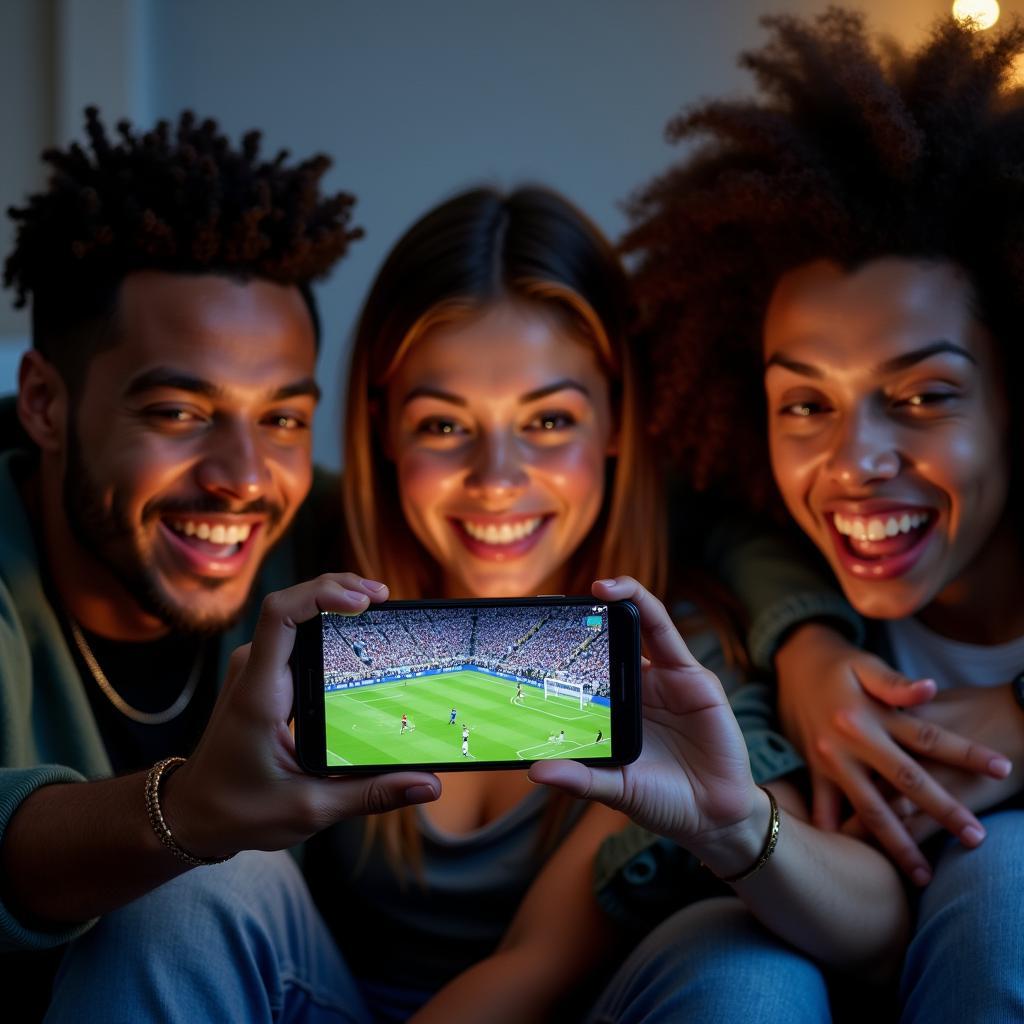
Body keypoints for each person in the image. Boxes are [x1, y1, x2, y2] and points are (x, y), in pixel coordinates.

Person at [302, 184, 906, 1023]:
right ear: (383, 427)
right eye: (444, 426)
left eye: (549, 421)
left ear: (619, 420)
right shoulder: (313, 587)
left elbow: (538, 965)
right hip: (319, 991)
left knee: (750, 973)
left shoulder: (666, 651)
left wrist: (805, 641)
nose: (498, 479)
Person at [620, 9, 1024, 1018]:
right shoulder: (750, 586)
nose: (855, 462)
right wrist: (804, 648)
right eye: (804, 403)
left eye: (925, 395)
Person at [0, 108, 439, 1020]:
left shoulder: (324, 531)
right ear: (43, 402)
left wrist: (794, 629)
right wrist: (188, 813)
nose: (244, 480)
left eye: (281, 417)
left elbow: (671, 511)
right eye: (178, 412)